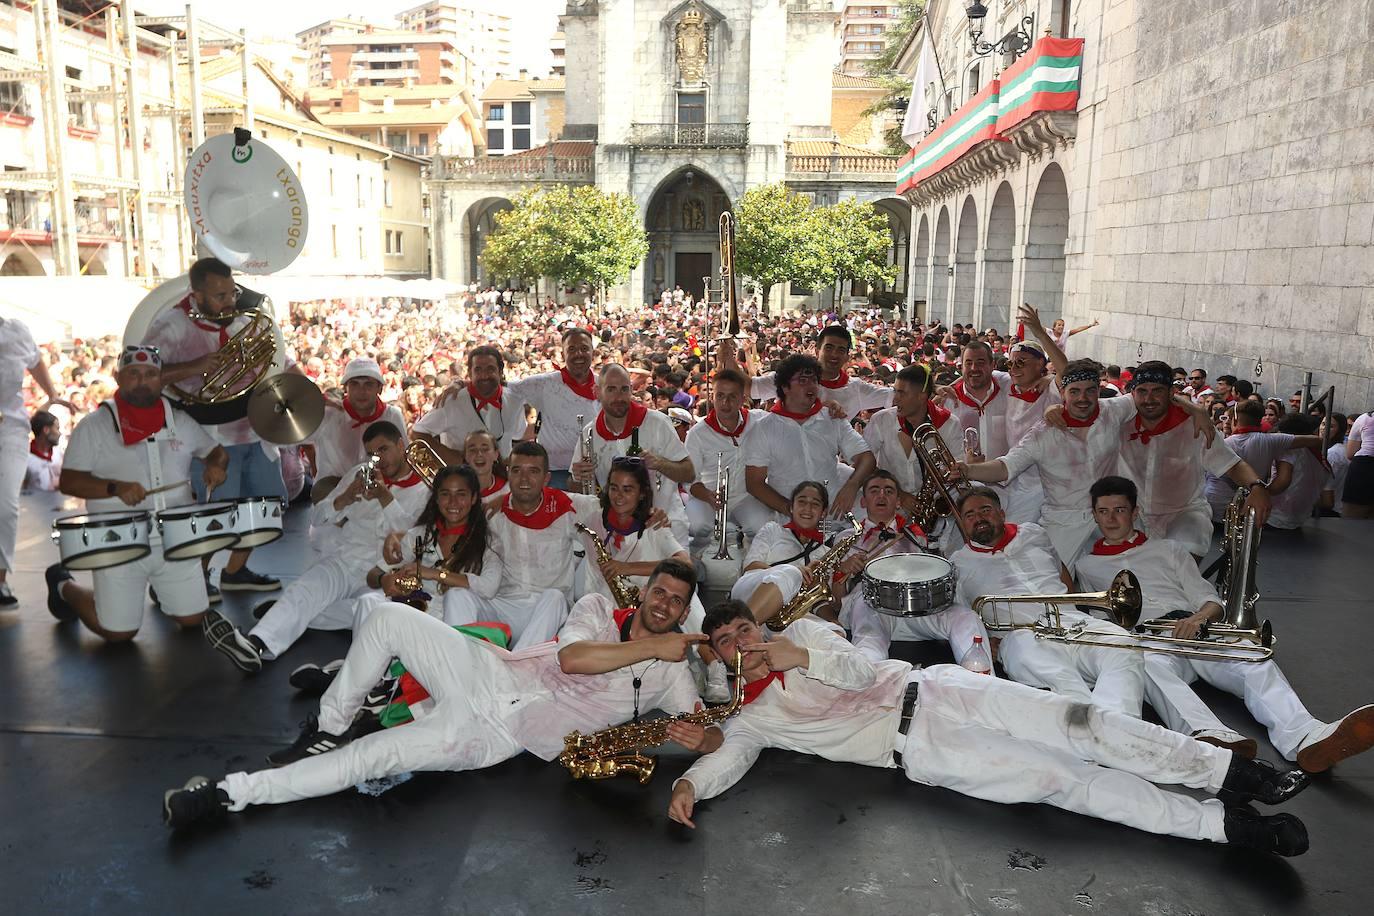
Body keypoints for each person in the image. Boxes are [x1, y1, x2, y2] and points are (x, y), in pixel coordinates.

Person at [666, 602, 1310, 857]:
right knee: (1064, 781)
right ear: (719, 659)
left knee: (1081, 721)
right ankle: (1224, 825)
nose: (738, 645)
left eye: (743, 630)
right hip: (919, 748)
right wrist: (691, 786)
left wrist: (798, 655)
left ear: (761, 628)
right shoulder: (755, 717)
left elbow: (862, 669)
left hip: (940, 687)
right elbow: (732, 756)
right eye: (724, 644)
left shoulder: (803, 635)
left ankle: (1234, 773)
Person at [163, 561, 707, 829]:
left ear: (685, 613)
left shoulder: (673, 672)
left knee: (372, 757)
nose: (664, 603)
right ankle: (328, 728)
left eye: (676, 601)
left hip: (493, 735)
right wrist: (653, 648)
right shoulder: (595, 608)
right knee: (385, 615)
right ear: (643, 592)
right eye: (659, 590)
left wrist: (704, 737)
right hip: (489, 673)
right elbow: (573, 660)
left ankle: (232, 792)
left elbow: (712, 732)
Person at [1074, 475, 1374, 773]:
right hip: (1148, 641)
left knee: (1252, 656)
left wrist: (1198, 618)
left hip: (1195, 628)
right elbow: (1102, 615)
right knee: (1146, 667)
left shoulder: (1169, 550)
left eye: (1120, 510)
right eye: (1103, 511)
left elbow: (1208, 598)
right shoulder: (1086, 565)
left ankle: (1306, 736)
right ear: (1094, 514)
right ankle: (1209, 736)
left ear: (1135, 512)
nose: (1111, 519)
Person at [203, 421, 431, 673]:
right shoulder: (360, 473)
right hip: (347, 559)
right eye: (371, 453)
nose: (378, 459)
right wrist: (343, 499)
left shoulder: (425, 489)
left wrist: (384, 498)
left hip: (388, 573)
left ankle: (288, 614)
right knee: (306, 588)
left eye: (384, 449)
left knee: (367, 610)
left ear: (401, 445)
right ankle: (255, 645)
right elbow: (318, 518)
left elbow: (413, 542)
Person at [47, 346, 228, 642]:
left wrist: (216, 467)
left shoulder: (180, 421)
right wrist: (114, 488)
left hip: (175, 539)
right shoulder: (94, 426)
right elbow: (69, 481)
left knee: (194, 618)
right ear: (119, 377)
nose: (142, 381)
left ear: (161, 379)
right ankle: (62, 585)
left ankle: (162, 587)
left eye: (151, 375)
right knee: (119, 634)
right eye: (134, 374)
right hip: (118, 540)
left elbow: (217, 453)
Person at [142, 257, 285, 594]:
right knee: (215, 515)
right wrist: (196, 366)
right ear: (198, 294)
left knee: (262, 508)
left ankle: (236, 572)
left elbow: (275, 361)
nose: (230, 302)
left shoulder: (238, 321)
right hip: (209, 436)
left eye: (232, 292)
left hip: (254, 428)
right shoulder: (171, 325)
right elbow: (141, 376)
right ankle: (193, 579)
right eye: (220, 296)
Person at [948, 488, 1145, 716]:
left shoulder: (1034, 533)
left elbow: (1061, 572)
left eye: (985, 510)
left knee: (1125, 644)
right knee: (1059, 677)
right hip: (1021, 636)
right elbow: (963, 616)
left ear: (1002, 514)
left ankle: (1119, 725)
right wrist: (984, 641)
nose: (979, 518)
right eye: (970, 515)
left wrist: (1071, 606)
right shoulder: (957, 564)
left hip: (1074, 623)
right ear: (962, 524)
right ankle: (1098, 729)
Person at [958, 357, 1140, 564]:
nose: (1083, 398)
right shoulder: (1043, 433)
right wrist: (968, 470)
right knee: (1052, 583)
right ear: (1062, 393)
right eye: (1074, 391)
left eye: (1090, 390)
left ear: (1099, 391)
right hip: (1064, 520)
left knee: (1132, 572)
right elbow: (1005, 467)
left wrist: (1182, 403)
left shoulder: (1114, 410)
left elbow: (1149, 396)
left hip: (1111, 513)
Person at [1116, 361, 1273, 556]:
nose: (1149, 398)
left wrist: (1257, 487)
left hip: (1183, 514)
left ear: (1171, 392)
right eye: (1142, 391)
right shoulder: (1119, 421)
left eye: (1157, 391)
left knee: (1182, 558)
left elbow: (1231, 464)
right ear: (1133, 394)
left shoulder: (1195, 426)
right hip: (1132, 515)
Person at [837, 471, 989, 664]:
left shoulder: (915, 534)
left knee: (966, 617)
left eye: (889, 491)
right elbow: (836, 599)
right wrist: (844, 569)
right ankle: (868, 678)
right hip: (872, 607)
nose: (882, 495)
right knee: (868, 643)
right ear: (863, 502)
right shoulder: (846, 538)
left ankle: (980, 678)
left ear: (898, 501)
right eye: (874, 491)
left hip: (918, 606)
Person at [485, 441, 605, 649]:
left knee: (555, 597)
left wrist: (649, 515)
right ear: (508, 474)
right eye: (517, 471)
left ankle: (518, 669)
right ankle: (461, 666)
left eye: (533, 471)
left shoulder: (566, 506)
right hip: (504, 605)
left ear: (546, 478)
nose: (524, 479)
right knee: (459, 595)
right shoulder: (492, 512)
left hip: (548, 611)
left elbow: (615, 509)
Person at [571, 363, 694, 543]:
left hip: (665, 524)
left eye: (624, 389)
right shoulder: (589, 433)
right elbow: (576, 486)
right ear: (597, 391)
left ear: (631, 390)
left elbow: (689, 472)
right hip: (617, 532)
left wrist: (660, 463)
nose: (619, 397)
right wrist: (579, 476)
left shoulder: (658, 422)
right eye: (611, 389)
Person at [744, 354, 875, 520]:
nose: (811, 386)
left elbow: (867, 458)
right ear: (785, 387)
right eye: (803, 380)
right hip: (790, 520)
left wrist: (852, 485)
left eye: (814, 380)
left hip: (835, 512)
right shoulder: (764, 428)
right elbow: (754, 483)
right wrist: (790, 509)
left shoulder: (832, 418)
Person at [0, 315, 72, 605]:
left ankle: (0, 580)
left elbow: (35, 360)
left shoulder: (16, 331)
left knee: (5, 505)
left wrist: (52, 394)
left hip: (10, 428)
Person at [377, 464, 504, 627]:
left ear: (473, 498)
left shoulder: (489, 541)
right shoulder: (418, 535)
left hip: (463, 621)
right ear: (436, 498)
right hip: (422, 615)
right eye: (445, 494)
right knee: (369, 602)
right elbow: (377, 573)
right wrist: (385, 579)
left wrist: (436, 574)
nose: (453, 502)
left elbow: (489, 587)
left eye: (461, 494)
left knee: (457, 596)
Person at [861, 363, 966, 534]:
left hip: (936, 514)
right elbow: (864, 464)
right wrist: (900, 495)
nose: (895, 399)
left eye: (901, 393)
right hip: (889, 508)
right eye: (895, 391)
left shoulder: (950, 423)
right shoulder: (881, 420)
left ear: (922, 396)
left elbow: (957, 471)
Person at [683, 368, 771, 555]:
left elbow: (786, 416)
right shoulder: (697, 434)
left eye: (732, 396)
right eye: (720, 395)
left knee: (763, 528)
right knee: (697, 527)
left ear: (742, 398)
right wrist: (707, 495)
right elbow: (690, 478)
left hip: (746, 497)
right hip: (707, 497)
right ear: (712, 396)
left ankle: (753, 568)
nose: (725, 402)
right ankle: (695, 569)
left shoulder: (758, 420)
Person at [729, 481, 839, 628]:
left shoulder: (826, 552)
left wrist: (833, 620)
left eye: (815, 504)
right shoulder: (772, 530)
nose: (807, 508)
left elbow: (818, 601)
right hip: (751, 591)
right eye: (802, 502)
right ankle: (741, 631)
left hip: (786, 614)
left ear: (823, 513)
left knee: (836, 633)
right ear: (791, 507)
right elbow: (750, 566)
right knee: (790, 573)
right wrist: (793, 572)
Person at [504, 327, 600, 490]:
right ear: (563, 355)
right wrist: (463, 385)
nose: (578, 354)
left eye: (584, 348)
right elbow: (505, 388)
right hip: (555, 474)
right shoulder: (544, 384)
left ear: (593, 352)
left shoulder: (604, 386)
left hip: (593, 472)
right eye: (572, 349)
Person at [729, 325, 893, 421]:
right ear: (817, 350)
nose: (834, 355)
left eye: (841, 350)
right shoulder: (789, 376)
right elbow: (749, 386)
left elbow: (895, 396)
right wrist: (728, 358)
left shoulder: (857, 388)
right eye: (829, 348)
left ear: (847, 356)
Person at [303, 357, 406, 502]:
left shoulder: (392, 415)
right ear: (346, 388)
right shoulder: (327, 414)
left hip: (377, 504)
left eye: (368, 384)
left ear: (380, 388)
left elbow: (404, 459)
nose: (361, 391)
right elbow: (287, 437)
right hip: (331, 502)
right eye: (355, 384)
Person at [1203, 399, 1323, 522]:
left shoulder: (1223, 444)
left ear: (1235, 420)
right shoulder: (1273, 440)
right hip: (1247, 508)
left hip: (1214, 505)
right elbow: (1316, 440)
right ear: (1260, 420)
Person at [413, 345, 527, 463]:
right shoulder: (452, 401)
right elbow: (418, 432)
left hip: (501, 478)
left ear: (500, 371)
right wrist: (453, 458)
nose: (484, 376)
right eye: (478, 370)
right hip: (461, 476)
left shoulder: (514, 401)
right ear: (470, 373)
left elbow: (518, 435)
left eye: (490, 369)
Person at [1266, 413, 1334, 529]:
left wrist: (1259, 492)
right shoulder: (1320, 460)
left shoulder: (1289, 450)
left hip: (1274, 518)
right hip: (1299, 520)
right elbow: (1327, 501)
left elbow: (1282, 482)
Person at [1340, 410, 1373, 519]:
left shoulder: (1365, 418)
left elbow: (1350, 453)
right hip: (1364, 466)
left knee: (1352, 519)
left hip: (1364, 466)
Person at [462, 429, 508, 501]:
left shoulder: (508, 490)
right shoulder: (456, 490)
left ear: (496, 455)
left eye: (485, 449)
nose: (479, 454)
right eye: (473, 450)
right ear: (465, 456)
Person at [24, 409, 63, 492]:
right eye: (57, 428)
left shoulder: (58, 454)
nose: (60, 433)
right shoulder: (25, 458)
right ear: (46, 430)